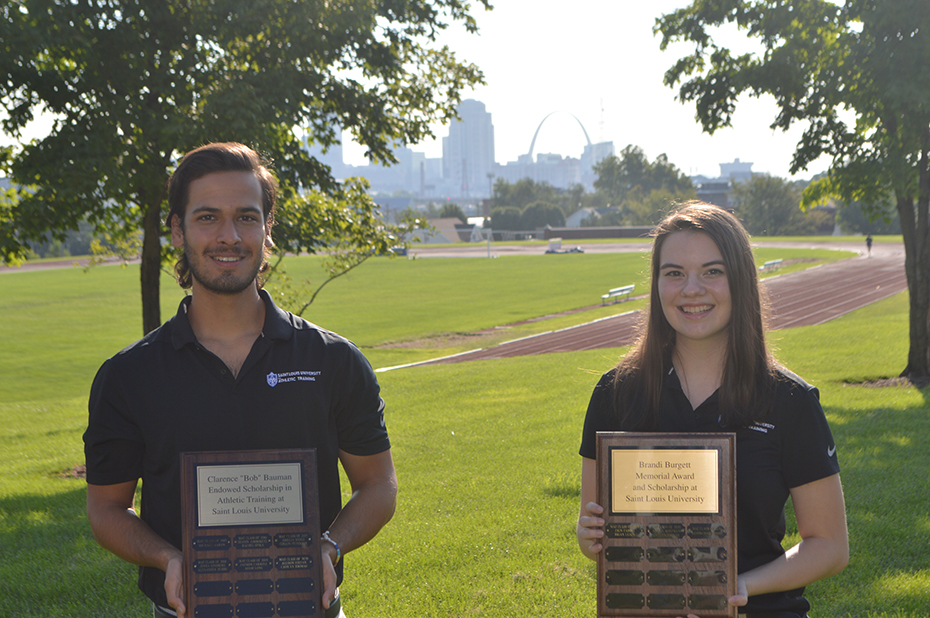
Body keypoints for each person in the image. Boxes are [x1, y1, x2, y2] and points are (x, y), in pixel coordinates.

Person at [84, 142, 397, 618]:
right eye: (207, 217)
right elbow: (106, 509)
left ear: (267, 230)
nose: (228, 235)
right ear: (176, 229)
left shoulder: (334, 361)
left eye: (247, 217)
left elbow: (378, 485)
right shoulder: (129, 376)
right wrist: (166, 557)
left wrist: (328, 547)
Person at [576, 202, 848, 618]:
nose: (691, 289)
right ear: (657, 284)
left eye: (712, 271)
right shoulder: (616, 393)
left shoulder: (788, 400)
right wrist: (589, 535)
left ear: (740, 280)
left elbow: (829, 546)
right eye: (674, 274)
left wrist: (739, 587)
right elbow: (598, 542)